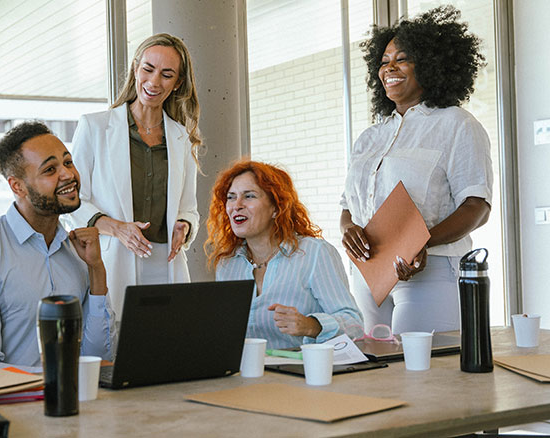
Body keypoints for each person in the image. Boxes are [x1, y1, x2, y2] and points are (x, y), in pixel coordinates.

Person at [340, 6, 493, 334]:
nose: (389, 68)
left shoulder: (456, 125)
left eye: (402, 58)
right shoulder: (370, 137)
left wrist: (423, 242)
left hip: (430, 271)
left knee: (425, 377)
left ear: (431, 65)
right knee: (377, 376)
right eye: (383, 61)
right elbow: (348, 206)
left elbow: (477, 207)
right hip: (368, 275)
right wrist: (348, 230)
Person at [0, 121, 115, 371]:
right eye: (50, 170)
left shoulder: (80, 252)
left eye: (67, 162)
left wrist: (96, 270)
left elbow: (99, 360)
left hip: (81, 400)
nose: (68, 174)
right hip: (11, 406)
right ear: (17, 186)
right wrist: (62, 378)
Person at [67, 33, 201, 316]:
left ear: (177, 83)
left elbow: (189, 208)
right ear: (135, 68)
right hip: (114, 261)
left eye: (166, 75)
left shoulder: (182, 138)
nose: (154, 82)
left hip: (166, 265)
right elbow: (74, 201)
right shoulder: (94, 127)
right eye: (148, 69)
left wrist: (184, 226)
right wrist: (118, 228)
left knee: (169, 349)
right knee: (115, 348)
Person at [207, 161, 363, 349]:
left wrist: (312, 326)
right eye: (231, 197)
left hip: (303, 372)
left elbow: (355, 325)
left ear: (276, 208)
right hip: (245, 373)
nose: (236, 205)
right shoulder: (227, 264)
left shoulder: (314, 254)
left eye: (249, 196)